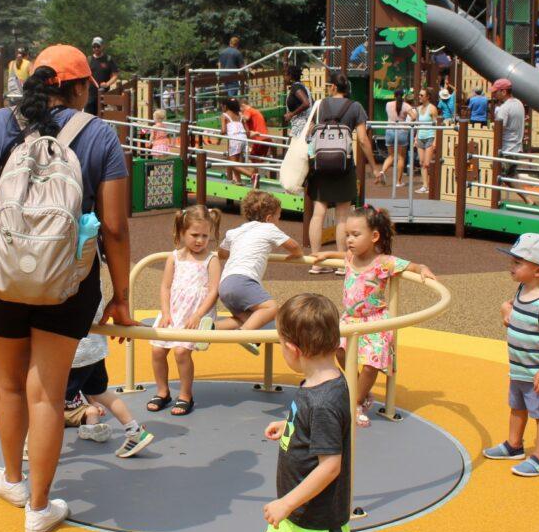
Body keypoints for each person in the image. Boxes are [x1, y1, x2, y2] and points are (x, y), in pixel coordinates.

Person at [0, 44, 138, 532]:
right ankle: (39, 507)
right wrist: (120, 297)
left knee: (10, 384)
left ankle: (12, 479)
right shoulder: (100, 136)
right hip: (67, 284)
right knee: (48, 395)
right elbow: (116, 228)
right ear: (80, 88)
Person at [238, 293, 403, 532]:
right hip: (296, 506)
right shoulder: (316, 385)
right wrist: (288, 429)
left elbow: (330, 467)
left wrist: (286, 503)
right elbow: (314, 431)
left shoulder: (326, 399)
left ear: (293, 348)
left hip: (314, 512)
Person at [338, 207, 436, 427]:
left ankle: (356, 401)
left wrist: (422, 268)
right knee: (339, 351)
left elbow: (410, 265)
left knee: (372, 362)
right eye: (347, 235)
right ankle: (359, 391)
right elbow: (340, 256)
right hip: (350, 319)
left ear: (374, 236)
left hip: (375, 320)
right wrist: (325, 255)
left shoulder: (383, 262)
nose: (349, 240)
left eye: (355, 235)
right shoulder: (349, 257)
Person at [483, 233, 539, 478]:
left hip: (537, 372)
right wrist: (505, 309)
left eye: (518, 263)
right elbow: (508, 305)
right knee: (517, 407)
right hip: (518, 368)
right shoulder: (522, 289)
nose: (512, 267)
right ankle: (514, 445)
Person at [148, 205, 222, 417]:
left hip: (196, 312)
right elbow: (166, 286)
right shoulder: (175, 257)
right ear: (182, 232)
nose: (200, 240)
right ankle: (162, 391)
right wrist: (165, 312)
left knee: (181, 351)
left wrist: (198, 315)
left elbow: (214, 290)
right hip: (173, 310)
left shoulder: (211, 259)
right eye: (194, 235)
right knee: (157, 350)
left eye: (205, 236)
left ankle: (185, 395)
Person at [217, 190, 304, 352]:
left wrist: (239, 251)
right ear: (269, 218)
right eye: (279, 217)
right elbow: (293, 246)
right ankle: (244, 335)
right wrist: (297, 254)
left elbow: (221, 254)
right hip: (243, 281)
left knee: (248, 319)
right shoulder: (269, 228)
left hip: (225, 285)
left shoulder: (235, 232)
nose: (279, 221)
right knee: (271, 308)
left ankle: (212, 328)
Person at [66, 302, 155, 458]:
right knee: (100, 392)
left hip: (73, 352)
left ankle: (30, 445)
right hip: (95, 348)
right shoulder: (93, 278)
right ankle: (135, 431)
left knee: (46, 400)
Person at [308, 73, 374, 272]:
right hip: (343, 165)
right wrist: (373, 164)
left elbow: (310, 131)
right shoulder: (356, 107)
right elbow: (362, 139)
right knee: (342, 216)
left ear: (334, 88)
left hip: (320, 165)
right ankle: (341, 264)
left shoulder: (320, 106)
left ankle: (315, 262)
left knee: (318, 213)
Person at [377, 88, 413, 190]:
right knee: (401, 157)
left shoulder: (388, 104)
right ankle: (398, 182)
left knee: (392, 156)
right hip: (401, 131)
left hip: (389, 131)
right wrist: (406, 122)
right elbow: (413, 116)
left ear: (394, 95)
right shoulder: (406, 105)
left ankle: (382, 171)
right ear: (403, 95)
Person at [412, 88, 440, 194]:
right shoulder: (418, 109)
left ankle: (430, 185)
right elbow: (418, 124)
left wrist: (435, 141)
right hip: (420, 137)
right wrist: (416, 137)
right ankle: (425, 186)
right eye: (419, 95)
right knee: (421, 162)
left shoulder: (432, 108)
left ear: (427, 97)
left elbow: (436, 125)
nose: (419, 97)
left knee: (427, 164)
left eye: (421, 95)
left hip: (430, 137)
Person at [221, 97, 252, 185]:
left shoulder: (225, 115)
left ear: (226, 106)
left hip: (234, 139)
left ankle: (252, 175)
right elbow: (248, 131)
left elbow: (223, 131)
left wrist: (219, 134)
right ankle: (238, 180)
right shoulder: (240, 115)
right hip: (243, 138)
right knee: (237, 162)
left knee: (233, 163)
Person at [85, 37, 119, 115]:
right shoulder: (89, 59)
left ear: (102, 46)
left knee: (101, 117)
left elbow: (115, 75)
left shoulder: (108, 59)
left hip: (104, 95)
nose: (96, 48)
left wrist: (107, 84)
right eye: (94, 46)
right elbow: (85, 75)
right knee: (88, 117)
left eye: (98, 46)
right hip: (90, 94)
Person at [240, 97, 270, 183]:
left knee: (252, 159)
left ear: (243, 106)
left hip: (260, 139)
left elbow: (246, 118)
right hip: (265, 138)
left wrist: (237, 116)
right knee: (256, 159)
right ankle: (257, 178)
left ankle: (254, 178)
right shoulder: (255, 111)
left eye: (240, 109)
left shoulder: (248, 110)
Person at [283, 66, 313, 139]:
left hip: (300, 126)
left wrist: (291, 114)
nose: (284, 78)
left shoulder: (296, 87)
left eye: (285, 75)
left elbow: (306, 103)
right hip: (305, 124)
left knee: (294, 149)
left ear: (290, 76)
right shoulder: (302, 87)